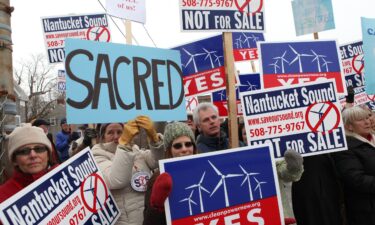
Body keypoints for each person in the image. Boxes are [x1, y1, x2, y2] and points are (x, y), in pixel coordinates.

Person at [92, 116, 164, 225]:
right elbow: (116, 180)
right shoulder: (97, 154)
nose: (116, 136)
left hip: (148, 216)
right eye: (110, 132)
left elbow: (157, 161)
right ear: (102, 137)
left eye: (120, 132)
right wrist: (124, 144)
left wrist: (154, 139)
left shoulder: (134, 149)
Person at [143, 121, 197, 225]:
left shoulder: (204, 170)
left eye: (188, 144)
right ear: (169, 150)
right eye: (178, 146)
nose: (184, 149)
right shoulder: (158, 178)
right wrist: (157, 207)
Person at [333, 106, 375, 225]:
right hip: (367, 211)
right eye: (360, 119)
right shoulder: (346, 149)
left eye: (367, 117)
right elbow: (356, 179)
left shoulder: (372, 138)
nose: (367, 121)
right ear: (349, 126)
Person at [0, 124, 58, 203]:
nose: (33, 155)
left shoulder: (63, 178)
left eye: (39, 149)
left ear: (48, 155)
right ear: (14, 160)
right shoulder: (3, 197)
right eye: (24, 151)